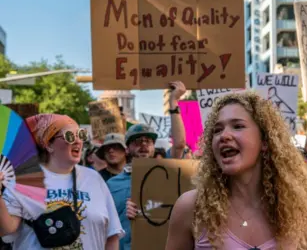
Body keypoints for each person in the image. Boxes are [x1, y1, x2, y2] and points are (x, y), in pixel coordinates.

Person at [165, 92, 307, 249]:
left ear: (265, 141)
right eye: (217, 130)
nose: (224, 135)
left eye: (238, 126)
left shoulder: (297, 210)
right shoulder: (191, 208)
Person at [0, 114, 123, 249]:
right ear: (49, 145)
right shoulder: (24, 180)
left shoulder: (94, 179)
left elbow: (111, 235)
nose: (78, 142)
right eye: (70, 136)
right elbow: (7, 230)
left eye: (81, 135)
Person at [107, 81, 187, 250]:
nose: (143, 144)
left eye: (148, 141)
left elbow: (179, 144)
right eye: (137, 141)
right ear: (127, 149)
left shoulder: (166, 171)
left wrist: (173, 102)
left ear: (153, 146)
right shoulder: (111, 185)